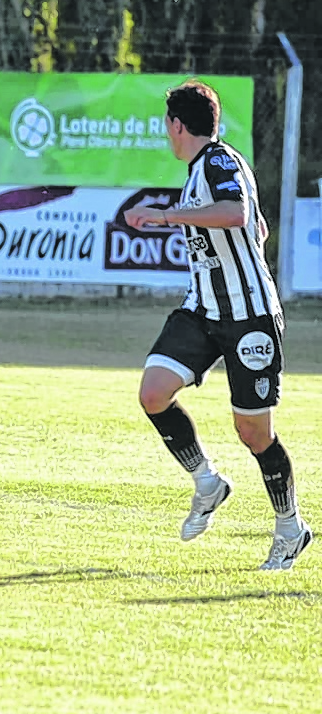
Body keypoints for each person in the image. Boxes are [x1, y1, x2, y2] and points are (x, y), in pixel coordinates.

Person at [124, 80, 310, 571]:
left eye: (167, 125)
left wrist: (165, 215)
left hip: (249, 316)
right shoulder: (205, 169)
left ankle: (290, 527)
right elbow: (257, 226)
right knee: (153, 392)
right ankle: (207, 482)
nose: (167, 133)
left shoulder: (217, 161)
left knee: (253, 432)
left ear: (177, 125)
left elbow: (237, 212)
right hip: (203, 310)